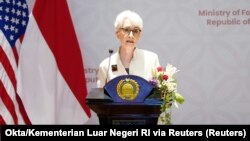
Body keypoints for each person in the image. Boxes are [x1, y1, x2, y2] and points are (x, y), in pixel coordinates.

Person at [97, 10, 160, 88]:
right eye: (126, 30)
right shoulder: (106, 65)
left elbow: (160, 95)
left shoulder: (152, 59)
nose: (131, 35)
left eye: (135, 31)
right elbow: (100, 97)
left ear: (140, 35)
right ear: (117, 33)